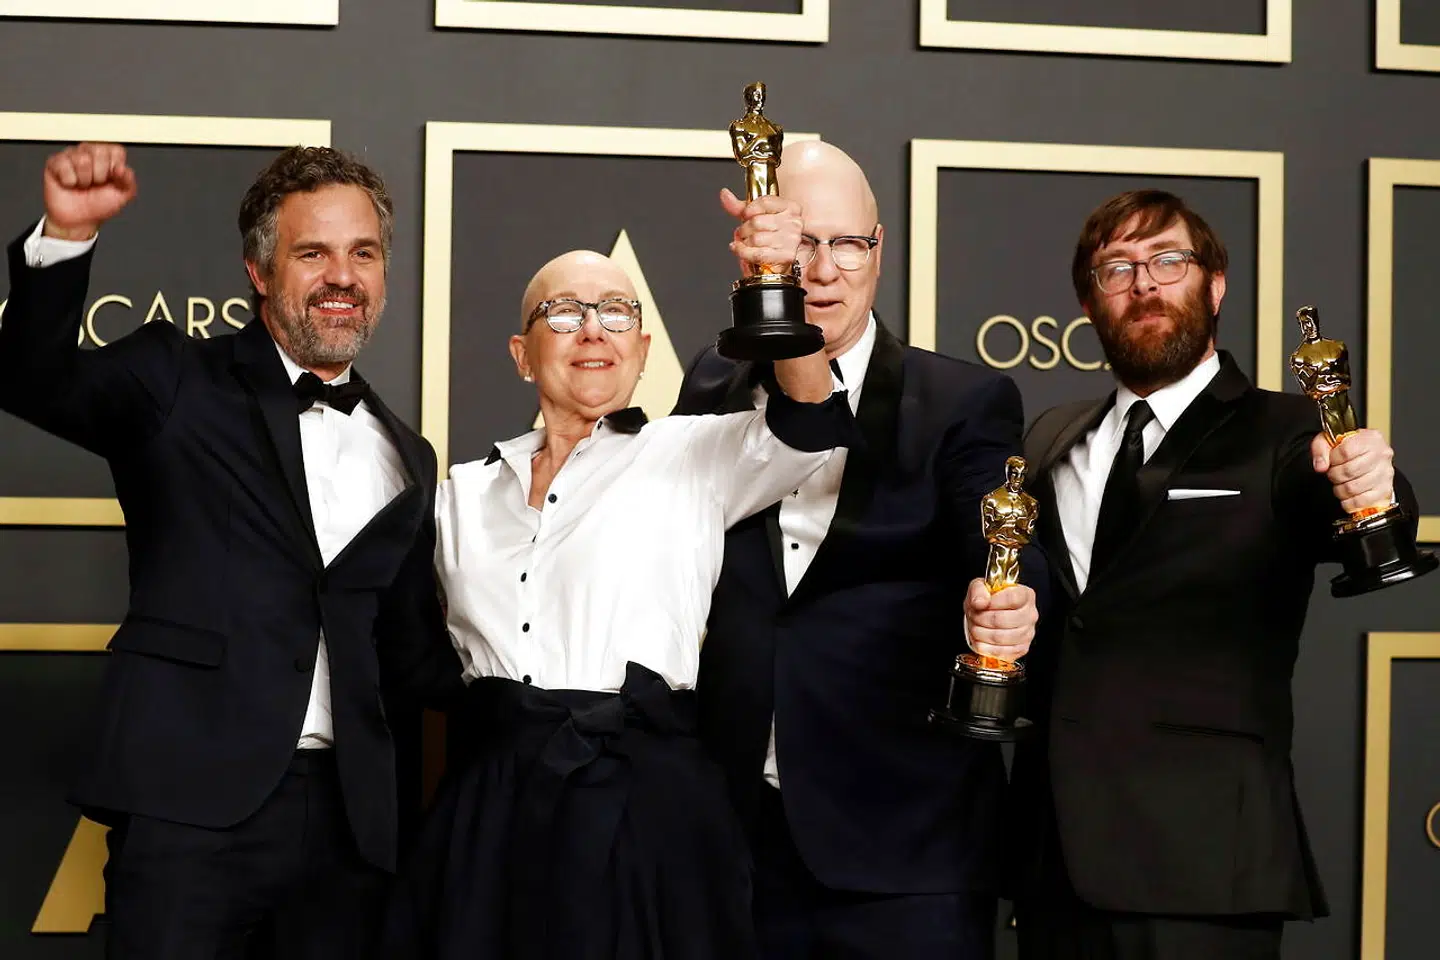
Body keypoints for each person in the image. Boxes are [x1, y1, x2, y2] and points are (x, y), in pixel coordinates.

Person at [0, 142, 462, 959]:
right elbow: (32, 379)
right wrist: (65, 237)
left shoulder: (409, 454)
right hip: (187, 806)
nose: (343, 276)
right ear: (259, 272)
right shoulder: (173, 376)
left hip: (351, 828)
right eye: (313, 253)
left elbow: (410, 655)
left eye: (363, 254)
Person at [381, 195, 854, 959]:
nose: (593, 329)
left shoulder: (695, 454)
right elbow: (406, 656)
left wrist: (777, 276)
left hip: (649, 808)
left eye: (616, 312)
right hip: (493, 810)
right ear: (521, 353)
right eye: (564, 313)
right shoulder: (457, 495)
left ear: (642, 349)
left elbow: (813, 416)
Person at [1009, 189, 1419, 960]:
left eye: (1168, 260)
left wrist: (1375, 487)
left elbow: (1364, 513)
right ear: (1089, 303)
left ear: (1215, 284)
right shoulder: (1052, 438)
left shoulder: (1288, 432)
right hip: (1053, 858)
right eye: (1117, 269)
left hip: (1204, 861)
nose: (1144, 284)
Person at [673, 140, 1044, 959]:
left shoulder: (961, 398)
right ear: (760, 249)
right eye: (800, 241)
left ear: (878, 250)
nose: (822, 270)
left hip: (904, 844)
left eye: (845, 244)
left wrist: (1009, 606)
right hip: (734, 842)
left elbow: (1004, 547)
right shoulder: (710, 382)